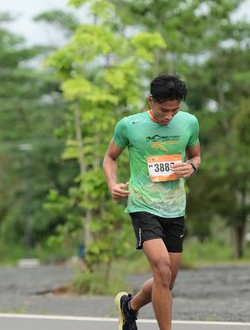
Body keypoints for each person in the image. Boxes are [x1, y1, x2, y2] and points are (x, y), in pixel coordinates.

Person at [103, 73, 200, 330]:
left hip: (175, 207)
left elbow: (196, 156)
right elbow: (110, 157)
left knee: (167, 280)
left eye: (175, 110)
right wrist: (112, 183)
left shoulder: (189, 122)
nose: (169, 116)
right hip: (143, 205)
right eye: (163, 110)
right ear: (150, 101)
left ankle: (129, 307)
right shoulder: (129, 125)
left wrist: (192, 166)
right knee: (162, 269)